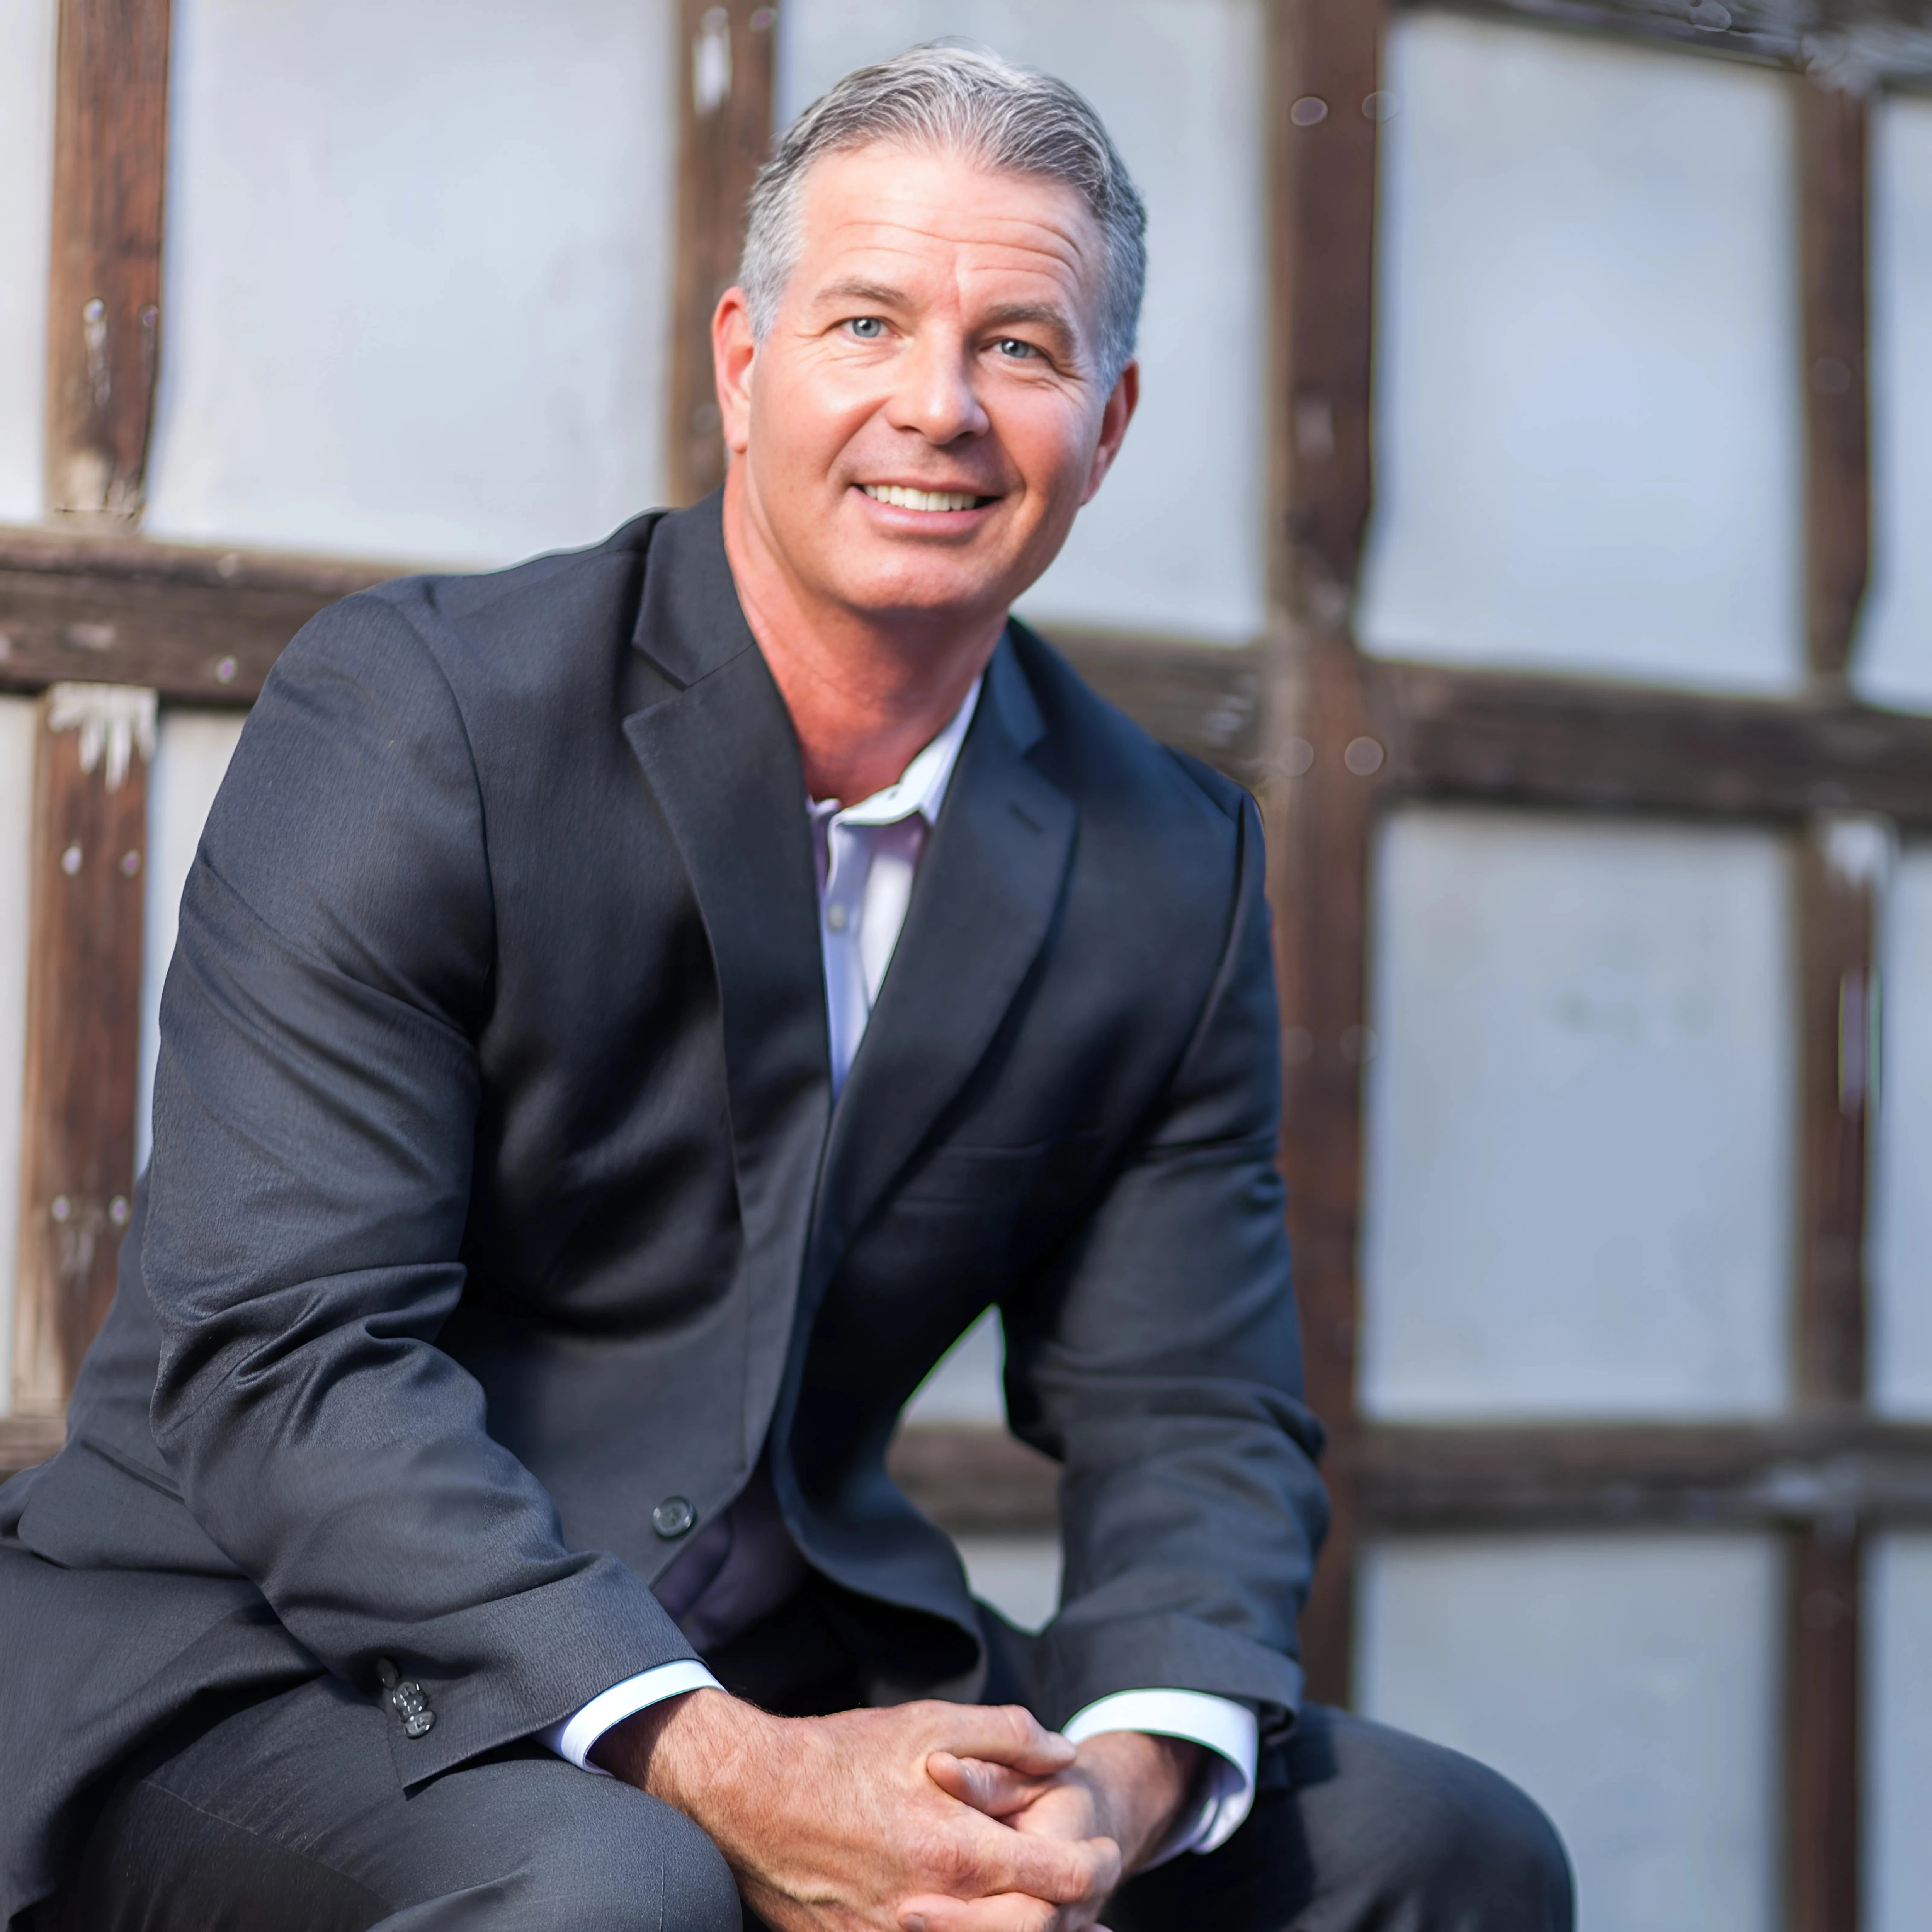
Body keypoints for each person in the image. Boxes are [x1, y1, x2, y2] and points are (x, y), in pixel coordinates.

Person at [0, 44, 1571, 1932]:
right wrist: (734, 1765)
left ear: (1112, 415)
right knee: (616, 1888)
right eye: (866, 321)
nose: (939, 407)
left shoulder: (1165, 853)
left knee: (1445, 1847)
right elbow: (287, 1359)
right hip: (272, 1645)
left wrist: (1110, 1790)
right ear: (742, 361)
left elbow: (1191, 1410)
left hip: (795, 1637)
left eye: (1020, 346)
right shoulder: (418, 716)